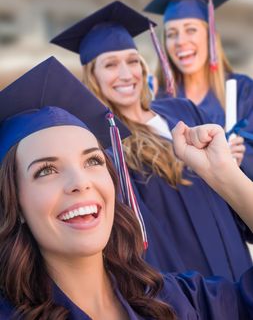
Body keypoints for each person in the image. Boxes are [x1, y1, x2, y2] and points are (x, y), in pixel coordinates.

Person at [1, 58, 253, 320]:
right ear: (15, 202)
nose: (80, 182)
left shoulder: (177, 301)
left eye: (93, 161)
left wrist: (224, 174)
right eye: (46, 170)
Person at [51, 1, 252, 281]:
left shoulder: (184, 111)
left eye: (132, 61)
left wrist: (231, 166)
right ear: (92, 77)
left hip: (238, 264)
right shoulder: (106, 145)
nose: (126, 74)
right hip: (189, 287)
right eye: (110, 65)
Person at [144, 0, 253, 180]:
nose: (180, 42)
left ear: (211, 36)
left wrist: (241, 159)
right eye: (171, 34)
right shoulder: (155, 99)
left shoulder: (243, 91)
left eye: (191, 29)